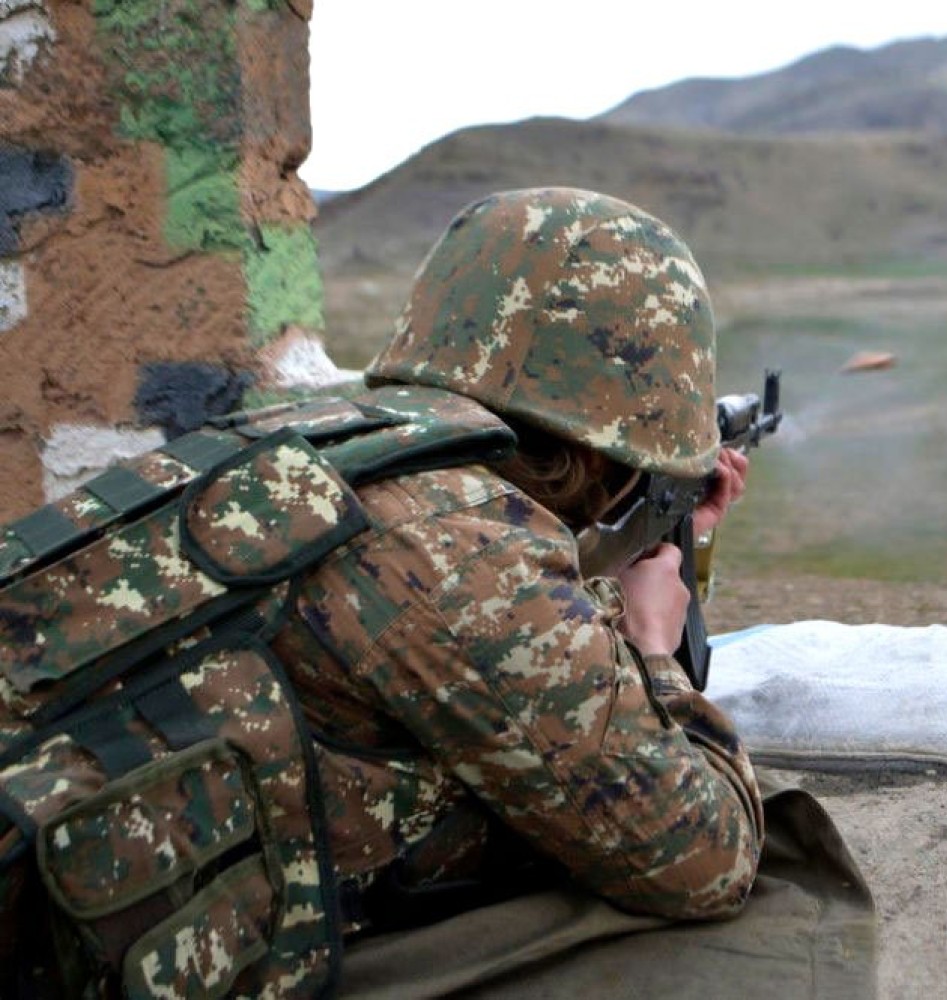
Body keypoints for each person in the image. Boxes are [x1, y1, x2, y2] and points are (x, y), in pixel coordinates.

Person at [267, 187, 764, 940]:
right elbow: (705, 858)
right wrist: (657, 648)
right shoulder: (470, 553)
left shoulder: (329, 445)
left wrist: (666, 530)